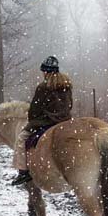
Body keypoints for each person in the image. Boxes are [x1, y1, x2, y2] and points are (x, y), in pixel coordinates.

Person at [12, 56, 73, 185]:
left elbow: (35, 109)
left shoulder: (43, 87)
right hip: (65, 121)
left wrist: (33, 120)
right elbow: (70, 105)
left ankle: (23, 172)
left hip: (46, 122)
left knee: (21, 139)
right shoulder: (66, 85)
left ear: (46, 72)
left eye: (43, 72)